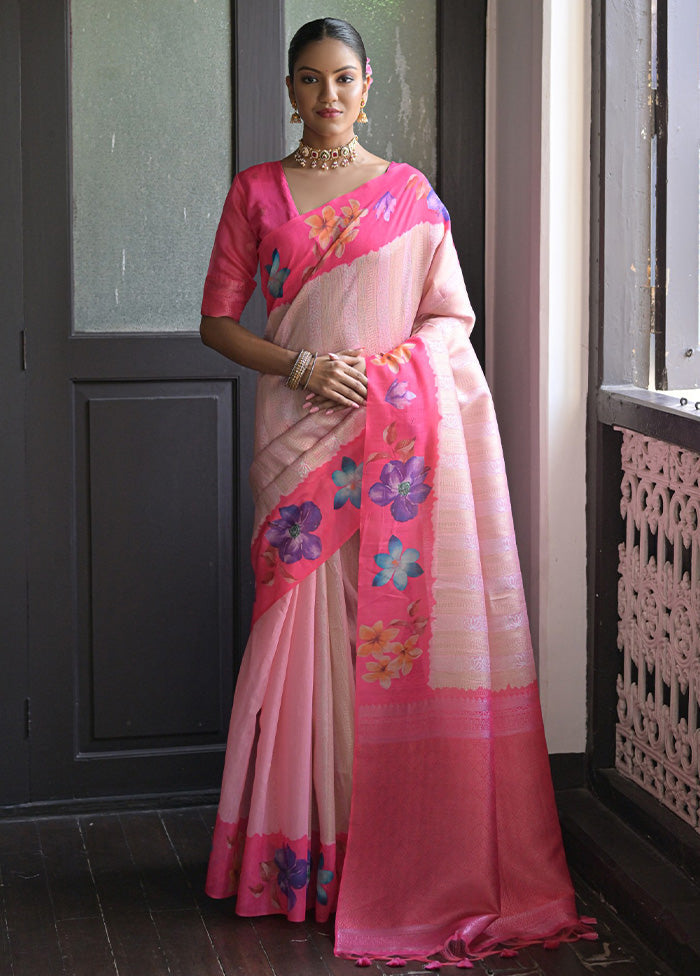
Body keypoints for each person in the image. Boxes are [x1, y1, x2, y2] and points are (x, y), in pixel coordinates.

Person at [200, 17, 595, 966]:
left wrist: (383, 378)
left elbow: (449, 318)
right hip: (300, 442)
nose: (327, 97)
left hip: (390, 446)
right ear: (288, 90)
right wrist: (300, 366)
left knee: (380, 642)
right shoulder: (255, 192)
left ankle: (388, 857)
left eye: (342, 79)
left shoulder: (411, 198)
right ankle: (302, 862)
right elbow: (217, 324)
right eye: (308, 81)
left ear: (369, 85)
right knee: (299, 636)